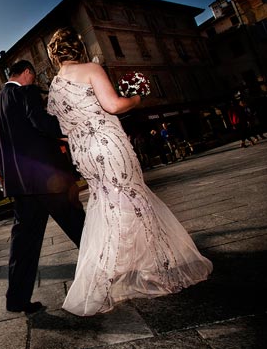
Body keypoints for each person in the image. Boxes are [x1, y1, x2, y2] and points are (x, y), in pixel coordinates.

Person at [46, 27, 212, 316]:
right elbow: (113, 105)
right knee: (131, 202)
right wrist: (135, 98)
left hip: (84, 152)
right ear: (78, 48)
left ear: (55, 55)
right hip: (107, 144)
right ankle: (121, 272)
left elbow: (62, 130)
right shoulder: (91, 69)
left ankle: (136, 267)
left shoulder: (54, 87)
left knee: (107, 204)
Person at [0, 59, 86, 314]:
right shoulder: (25, 92)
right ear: (27, 73)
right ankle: (107, 277)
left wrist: (10, 179)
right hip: (48, 180)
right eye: (34, 76)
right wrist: (73, 128)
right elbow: (40, 122)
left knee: (23, 245)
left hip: (21, 186)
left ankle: (17, 300)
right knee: (82, 230)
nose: (35, 81)